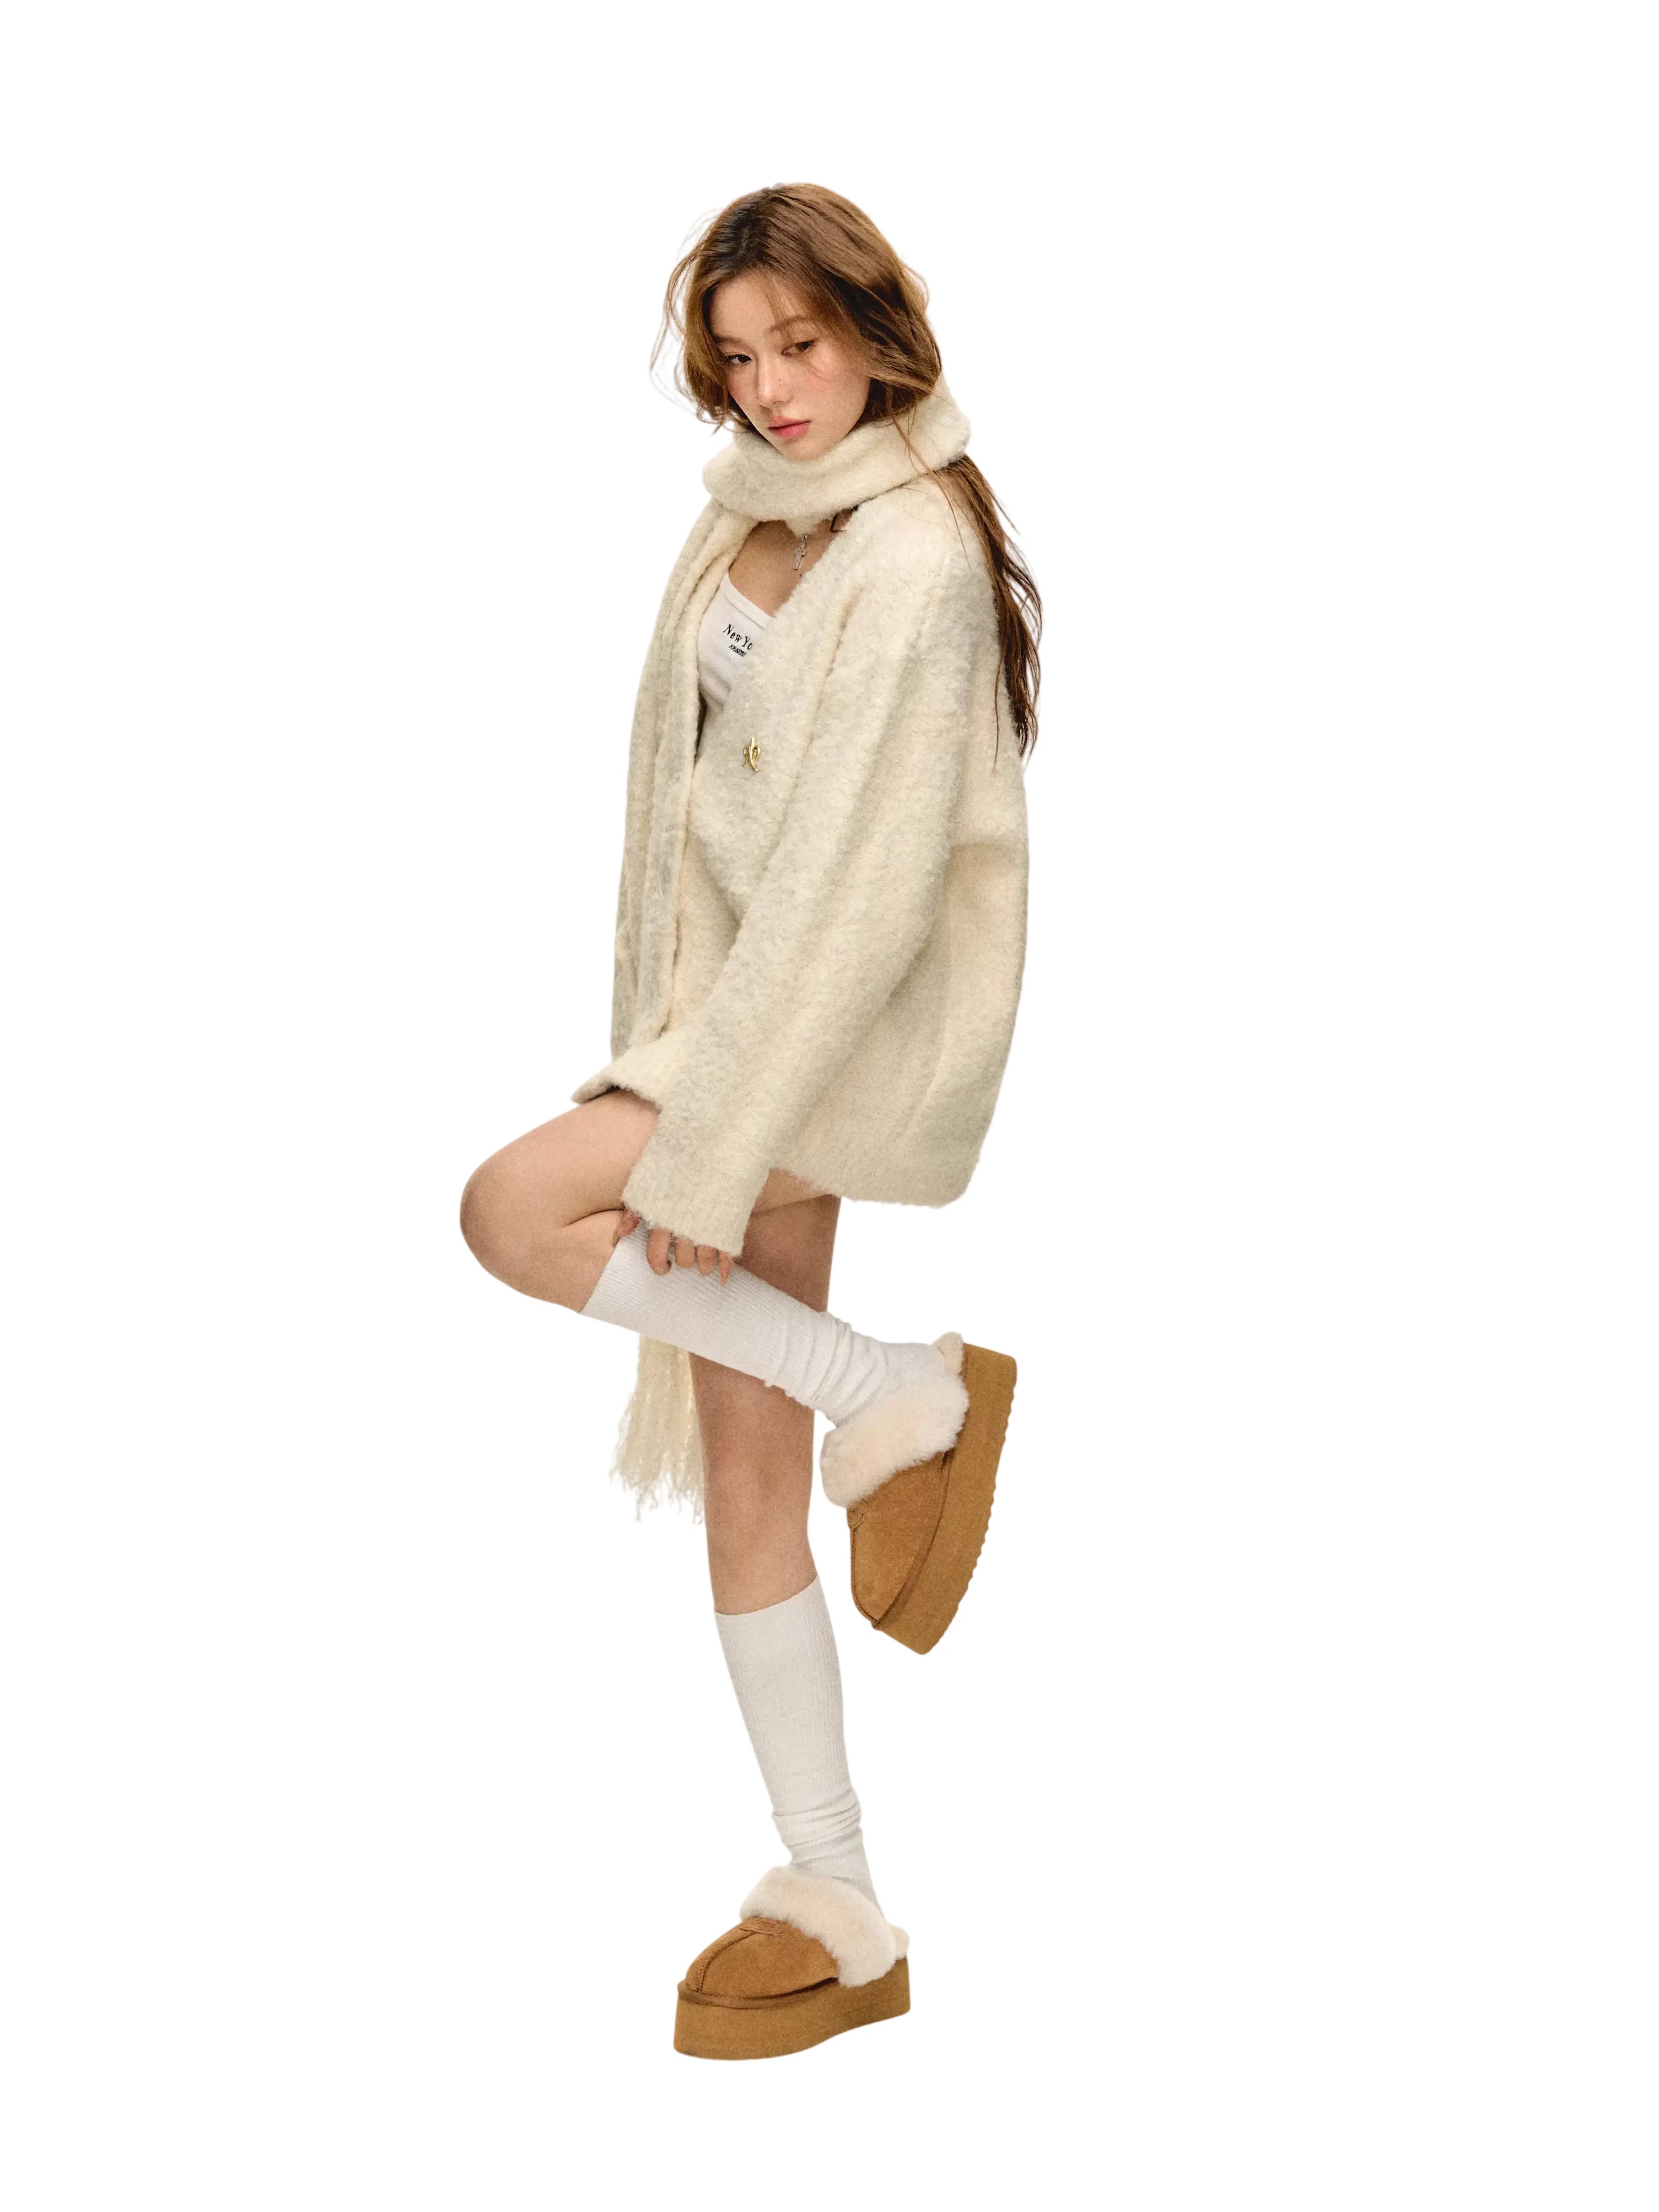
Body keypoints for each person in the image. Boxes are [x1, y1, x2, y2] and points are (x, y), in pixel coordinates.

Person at [458, 182, 1039, 2059]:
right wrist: (669, 1053)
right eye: (738, 356)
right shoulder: (747, 514)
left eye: (802, 343)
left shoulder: (916, 559)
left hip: (820, 1045)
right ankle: (838, 1894)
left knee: (509, 1212)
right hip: (723, 1029)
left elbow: (853, 905)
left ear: (879, 329)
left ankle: (903, 1393)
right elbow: (689, 814)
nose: (775, 387)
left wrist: (703, 1137)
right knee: (745, 1478)